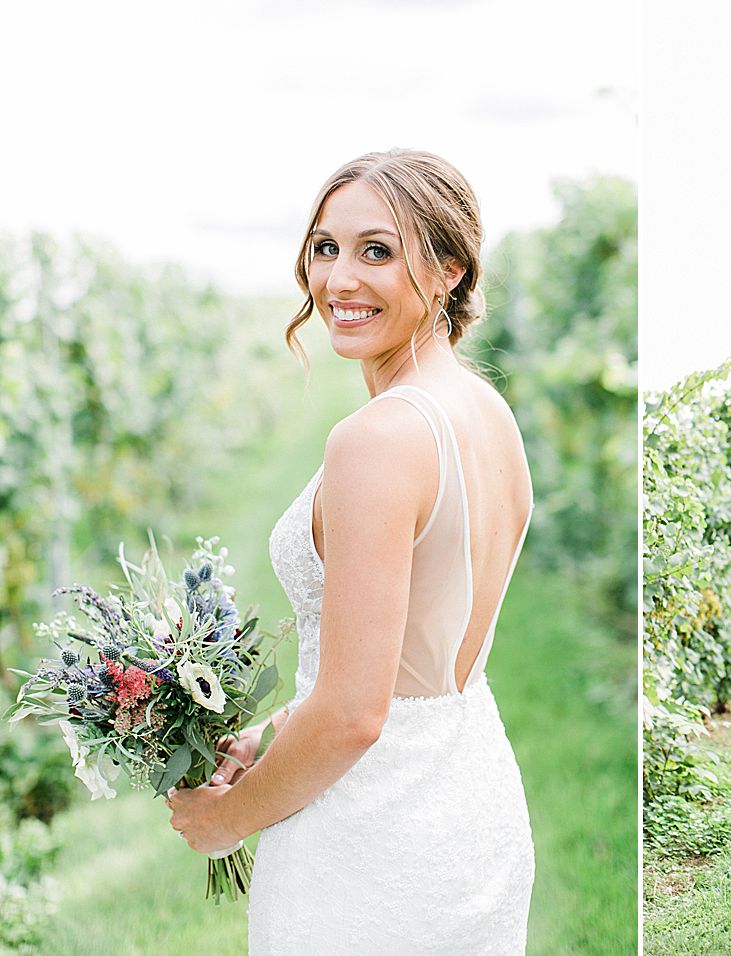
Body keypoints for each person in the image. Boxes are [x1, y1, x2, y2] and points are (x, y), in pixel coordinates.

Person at [167, 149, 536, 953]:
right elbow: (410, 665)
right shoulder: (488, 414)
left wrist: (224, 820)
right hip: (471, 800)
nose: (338, 279)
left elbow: (358, 715)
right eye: (325, 247)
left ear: (448, 271)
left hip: (373, 835)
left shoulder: (376, 439)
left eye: (377, 250)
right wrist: (275, 733)